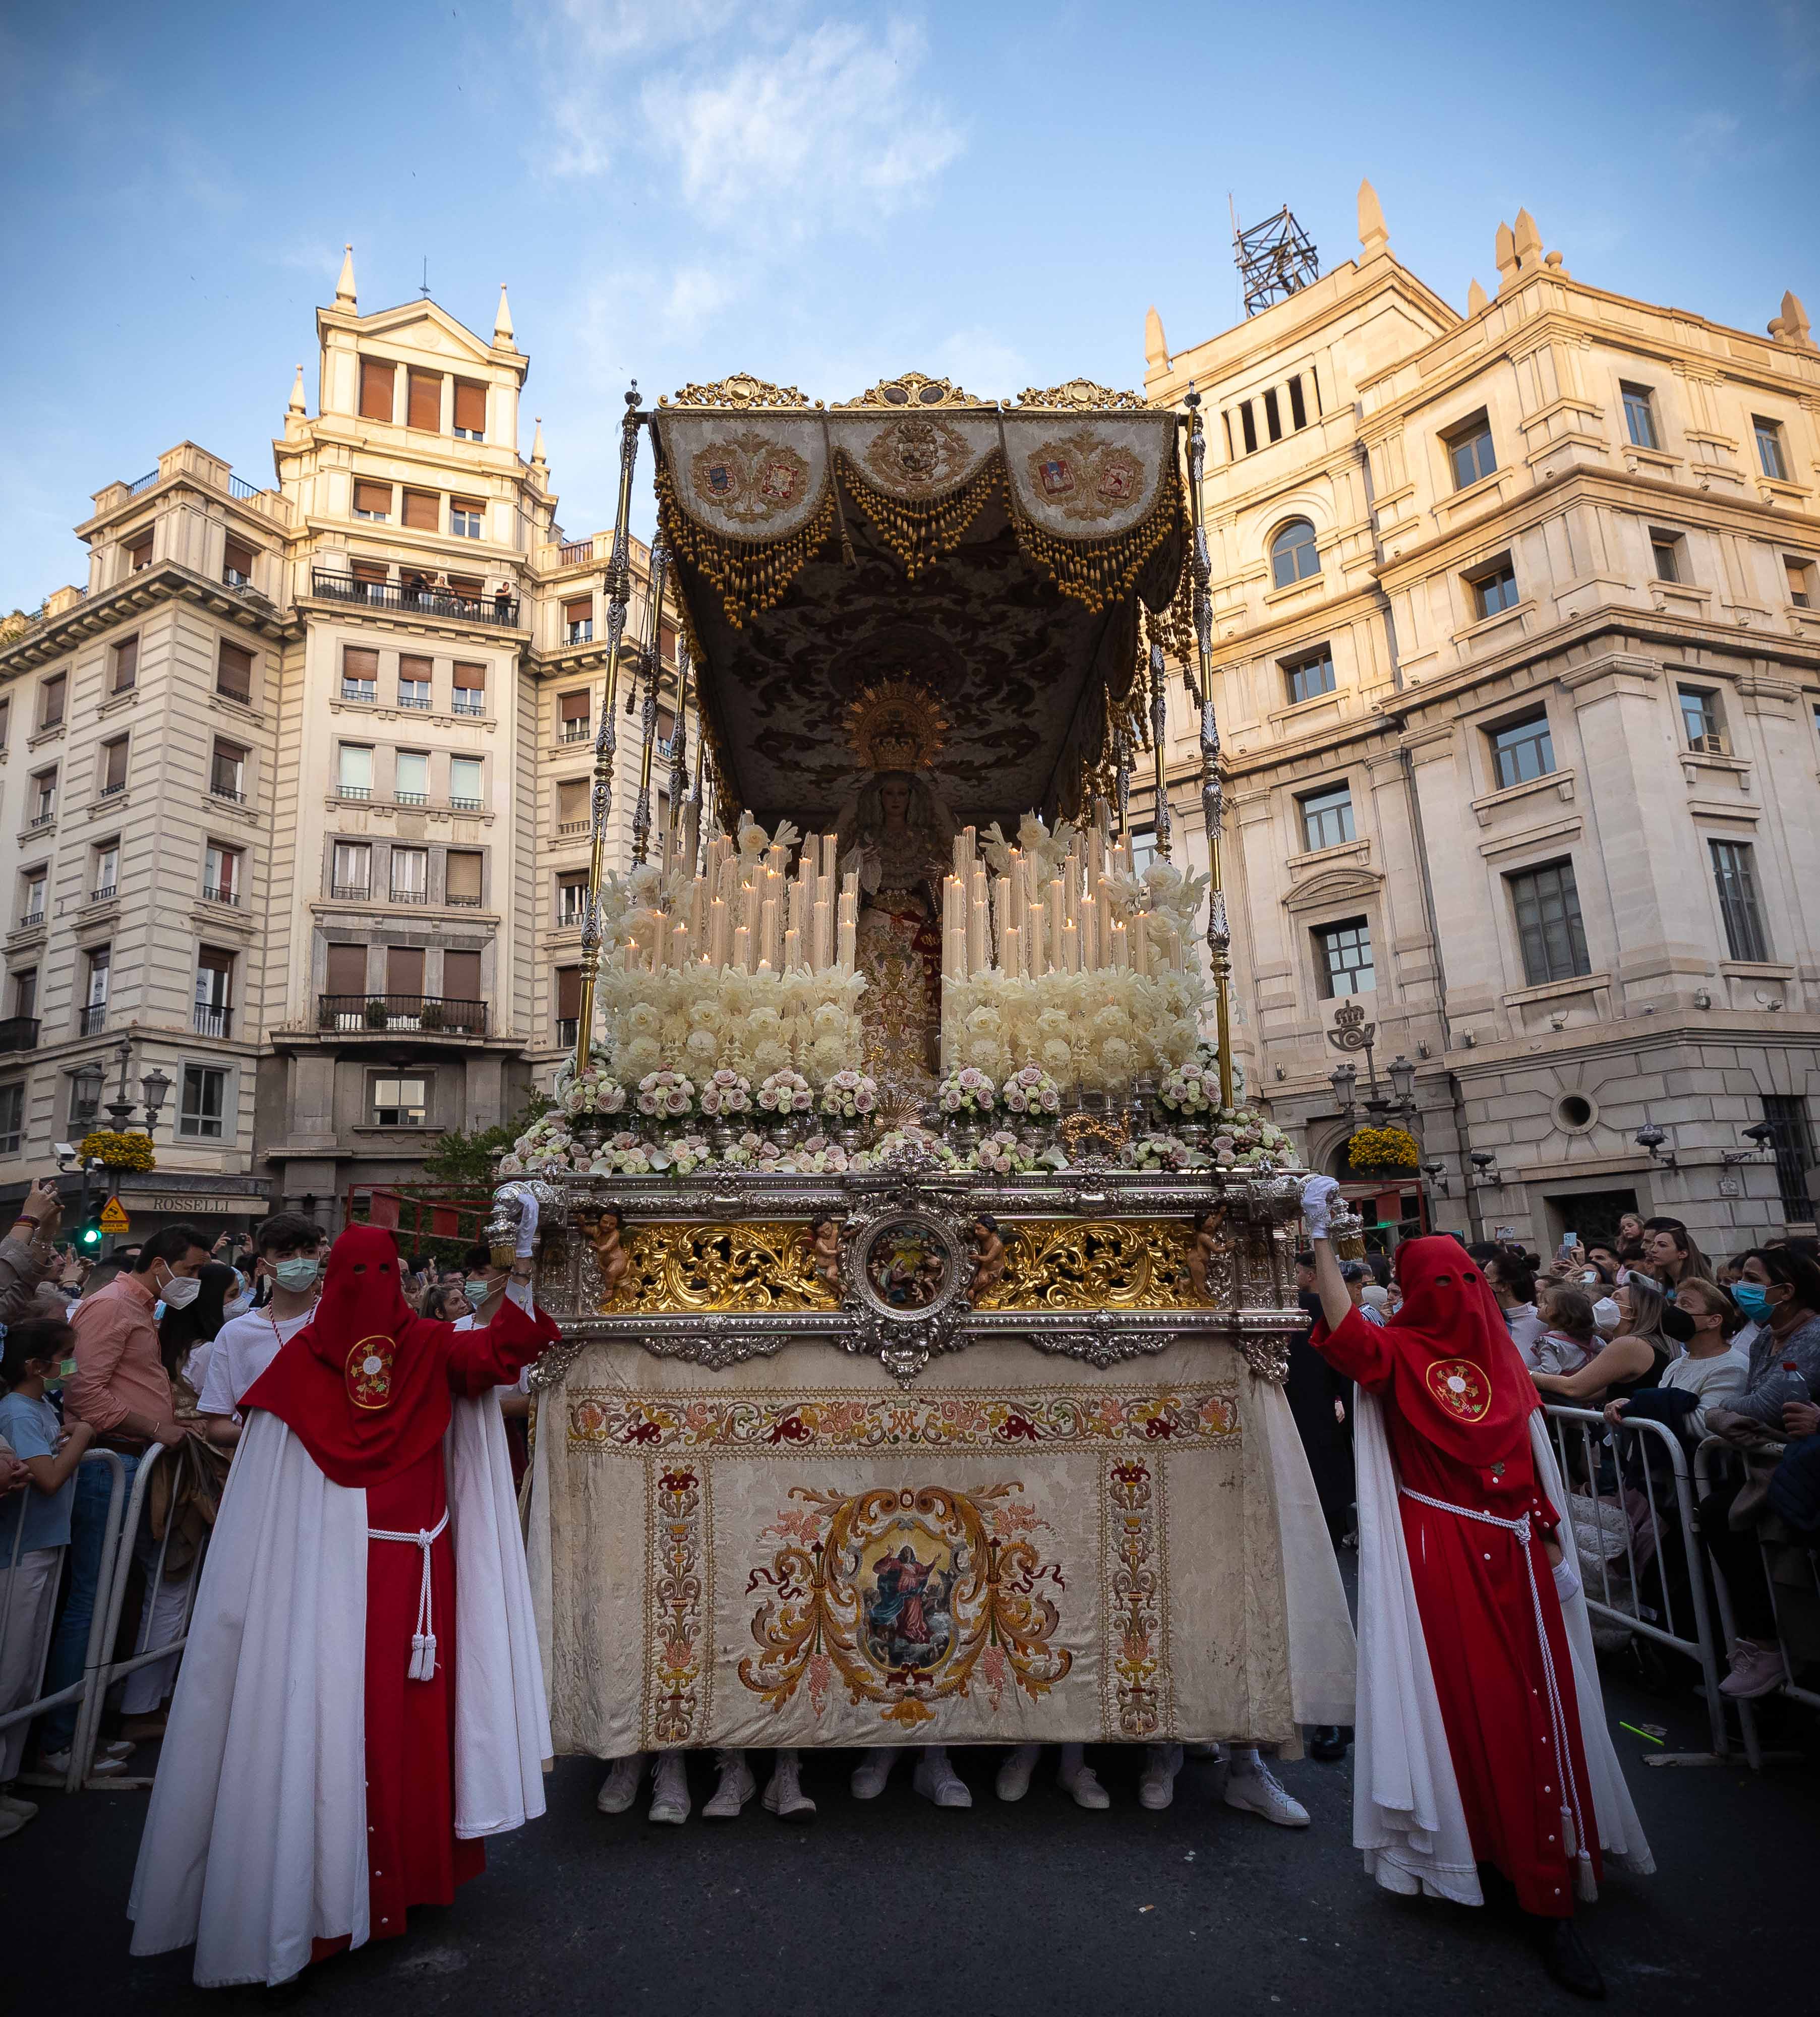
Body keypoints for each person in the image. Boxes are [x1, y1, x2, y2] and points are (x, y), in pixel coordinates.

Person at [128, 1225, 561, 1987]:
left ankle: (404, 1883)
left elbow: (497, 1354)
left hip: (383, 1581)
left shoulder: (311, 1363)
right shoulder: (412, 1346)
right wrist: (518, 1271)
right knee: (367, 1731)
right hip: (376, 1581)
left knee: (376, 1732)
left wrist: (520, 1268)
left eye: (376, 1271)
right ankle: (343, 1899)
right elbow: (504, 1350)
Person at [1298, 1176, 1651, 1999]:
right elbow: (1348, 1334)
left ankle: (1549, 1868)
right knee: (1472, 1711)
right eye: (1441, 1284)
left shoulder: (1501, 1355)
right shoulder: (1400, 1351)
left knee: (1540, 1710)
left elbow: (1531, 1455)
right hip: (1443, 1558)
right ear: (1416, 1293)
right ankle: (1497, 1862)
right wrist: (1319, 1240)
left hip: (1521, 1557)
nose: (1458, 1296)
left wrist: (1549, 1533)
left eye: (1467, 1280)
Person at [28, 1224, 211, 1779]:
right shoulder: (110, 1306)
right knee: (92, 1598)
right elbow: (85, 1392)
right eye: (194, 1270)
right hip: (113, 1463)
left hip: (131, 1459)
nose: (195, 1281)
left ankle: (86, 1726)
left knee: (111, 1596)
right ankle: (60, 1741)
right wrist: (157, 1427)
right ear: (161, 1263)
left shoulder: (139, 1306)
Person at [118, 1260, 244, 1739]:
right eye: (233, 1293)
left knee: (162, 1584)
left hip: (172, 1470)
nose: (240, 1302)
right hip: (193, 1475)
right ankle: (144, 1704)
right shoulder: (212, 1349)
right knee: (173, 1585)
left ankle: (147, 1697)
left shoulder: (164, 1341)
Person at [1695, 1247, 1820, 1700]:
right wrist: (1727, 1416)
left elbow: (1761, 1407)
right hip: (1769, 1470)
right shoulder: (1767, 1338)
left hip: (1800, 1477)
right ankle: (1765, 1647)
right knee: (1717, 1512)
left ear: (1785, 1291)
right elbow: (1749, 1404)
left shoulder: (1814, 1336)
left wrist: (1723, 1415)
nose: (1737, 1289)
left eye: (1750, 1279)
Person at [0, 1316, 92, 1832]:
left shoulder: (37, 1406)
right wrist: (83, 1434)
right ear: (36, 1365)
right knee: (10, 1670)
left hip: (42, 1546)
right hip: (21, 1553)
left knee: (25, 1671)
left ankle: (8, 1781)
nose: (71, 1367)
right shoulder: (16, 1411)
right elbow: (49, 1478)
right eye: (66, 1357)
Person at [839, 767, 955, 1095]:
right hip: (873, 928)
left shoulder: (925, 840)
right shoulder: (867, 839)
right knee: (870, 998)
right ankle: (864, 1073)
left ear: (911, 799)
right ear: (878, 798)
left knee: (916, 1002)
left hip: (916, 932)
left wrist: (938, 877)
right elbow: (849, 887)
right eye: (888, 794)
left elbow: (941, 891)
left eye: (901, 794)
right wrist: (859, 864)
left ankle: (920, 1076)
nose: (895, 800)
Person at [196, 1214, 326, 1451]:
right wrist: (274, 1433)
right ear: (263, 1266)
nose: (299, 1262)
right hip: (259, 1469)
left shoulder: (342, 1321)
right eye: (286, 1255)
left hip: (332, 1470)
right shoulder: (237, 1333)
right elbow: (216, 1426)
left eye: (308, 1252)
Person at [1531, 1277, 1672, 1410]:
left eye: (1616, 1298)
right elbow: (1592, 1393)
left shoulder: (1630, 1344)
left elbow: (1573, 1388)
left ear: (1633, 1313)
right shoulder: (1642, 1343)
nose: (1606, 1301)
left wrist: (1526, 1373)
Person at [1485, 1252, 1546, 1366]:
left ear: (1504, 1286)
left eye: (1486, 1278)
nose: (1480, 1283)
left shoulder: (1543, 1321)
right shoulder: (1485, 1321)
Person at [1530, 1283, 1599, 1378]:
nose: (1540, 1305)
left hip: (1558, 1390)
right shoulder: (1593, 1340)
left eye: (1546, 1303)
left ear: (1561, 1314)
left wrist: (1528, 1370)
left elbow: (1550, 1371)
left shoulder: (1549, 1342)